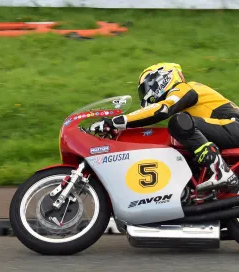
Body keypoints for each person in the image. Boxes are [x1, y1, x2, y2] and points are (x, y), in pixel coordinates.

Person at [90, 62, 239, 192]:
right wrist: (122, 130)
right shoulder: (185, 108)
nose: (145, 94)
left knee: (178, 123)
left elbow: (161, 110)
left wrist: (116, 121)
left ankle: (220, 171)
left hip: (234, 125)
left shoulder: (184, 88)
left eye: (146, 87)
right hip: (227, 129)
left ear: (161, 79)